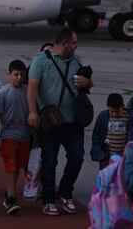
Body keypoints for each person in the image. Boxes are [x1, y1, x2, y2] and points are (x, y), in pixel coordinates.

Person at [27, 27, 93, 216]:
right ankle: (48, 199)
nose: (76, 45)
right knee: (50, 161)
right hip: (50, 121)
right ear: (64, 44)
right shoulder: (40, 60)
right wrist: (33, 112)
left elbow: (88, 83)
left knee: (77, 157)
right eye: (74, 42)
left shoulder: (76, 61)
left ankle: (65, 192)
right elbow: (32, 89)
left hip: (73, 121)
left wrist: (87, 83)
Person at [0, 60, 30, 215]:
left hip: (24, 136)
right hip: (8, 135)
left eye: (22, 75)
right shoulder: (3, 93)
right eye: (16, 74)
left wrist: (35, 137)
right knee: (10, 165)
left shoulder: (28, 91)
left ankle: (9, 194)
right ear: (9, 75)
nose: (19, 78)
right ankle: (12, 199)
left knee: (18, 168)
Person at [91, 93, 133, 170]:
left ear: (123, 106)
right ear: (107, 107)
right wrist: (99, 153)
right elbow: (96, 135)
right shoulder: (103, 116)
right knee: (106, 179)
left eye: (118, 111)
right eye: (111, 111)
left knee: (120, 179)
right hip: (106, 156)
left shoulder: (129, 116)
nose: (115, 114)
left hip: (123, 157)